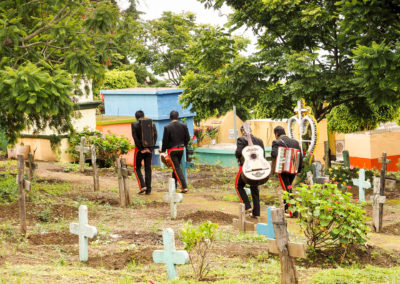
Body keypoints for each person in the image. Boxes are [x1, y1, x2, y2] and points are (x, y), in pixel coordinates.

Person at [234, 123, 265, 218]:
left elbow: (238, 152)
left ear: (243, 131)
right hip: (257, 167)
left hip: (246, 167)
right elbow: (262, 155)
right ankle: (256, 213)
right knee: (254, 188)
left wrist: (237, 155)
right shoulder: (259, 140)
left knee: (238, 186)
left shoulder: (241, 139)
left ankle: (247, 206)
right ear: (251, 130)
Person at [271, 126, 303, 217]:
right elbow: (300, 156)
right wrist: (299, 170)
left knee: (286, 189)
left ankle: (293, 211)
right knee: (288, 188)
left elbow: (274, 153)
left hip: (283, 170)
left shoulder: (277, 142)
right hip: (293, 169)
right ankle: (286, 209)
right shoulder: (295, 142)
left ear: (276, 134)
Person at [161, 110, 190, 193]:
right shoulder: (184, 126)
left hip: (172, 150)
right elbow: (187, 138)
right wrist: (183, 145)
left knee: (176, 168)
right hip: (181, 149)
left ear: (170, 118)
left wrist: (163, 151)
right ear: (178, 117)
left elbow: (165, 141)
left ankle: (184, 187)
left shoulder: (167, 127)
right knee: (175, 167)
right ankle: (174, 186)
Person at [131, 110, 157, 195]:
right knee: (148, 169)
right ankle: (148, 189)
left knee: (136, 167)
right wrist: (150, 148)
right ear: (144, 115)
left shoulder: (134, 124)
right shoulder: (151, 124)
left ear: (136, 117)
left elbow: (135, 137)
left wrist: (141, 148)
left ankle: (142, 186)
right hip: (149, 150)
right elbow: (155, 136)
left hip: (139, 150)